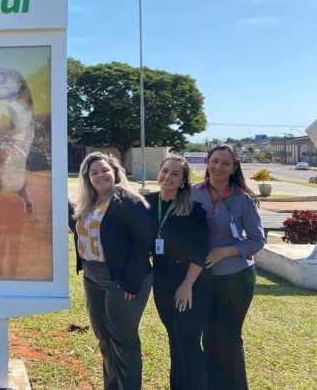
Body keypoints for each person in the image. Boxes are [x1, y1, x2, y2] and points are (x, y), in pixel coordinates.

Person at [69, 152, 152, 390]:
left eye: (104, 170)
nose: (100, 175)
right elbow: (80, 227)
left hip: (122, 279)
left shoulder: (126, 200)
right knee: (104, 340)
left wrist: (132, 282)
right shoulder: (90, 202)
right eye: (93, 172)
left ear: (114, 171)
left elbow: (144, 241)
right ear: (87, 178)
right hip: (92, 277)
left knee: (123, 342)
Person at [191, 144, 265, 390]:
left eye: (225, 163)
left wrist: (225, 252)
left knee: (229, 337)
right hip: (202, 277)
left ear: (234, 168)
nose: (218, 167)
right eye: (214, 161)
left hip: (236, 278)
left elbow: (257, 240)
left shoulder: (244, 199)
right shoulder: (193, 194)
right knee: (208, 336)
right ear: (207, 162)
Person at [146, 154, 211, 390]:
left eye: (175, 174)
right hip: (161, 281)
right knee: (174, 339)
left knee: (188, 341)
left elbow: (200, 251)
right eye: (165, 170)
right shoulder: (147, 204)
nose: (168, 177)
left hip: (189, 283)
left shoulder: (193, 211)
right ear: (158, 172)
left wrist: (187, 284)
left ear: (184, 180)